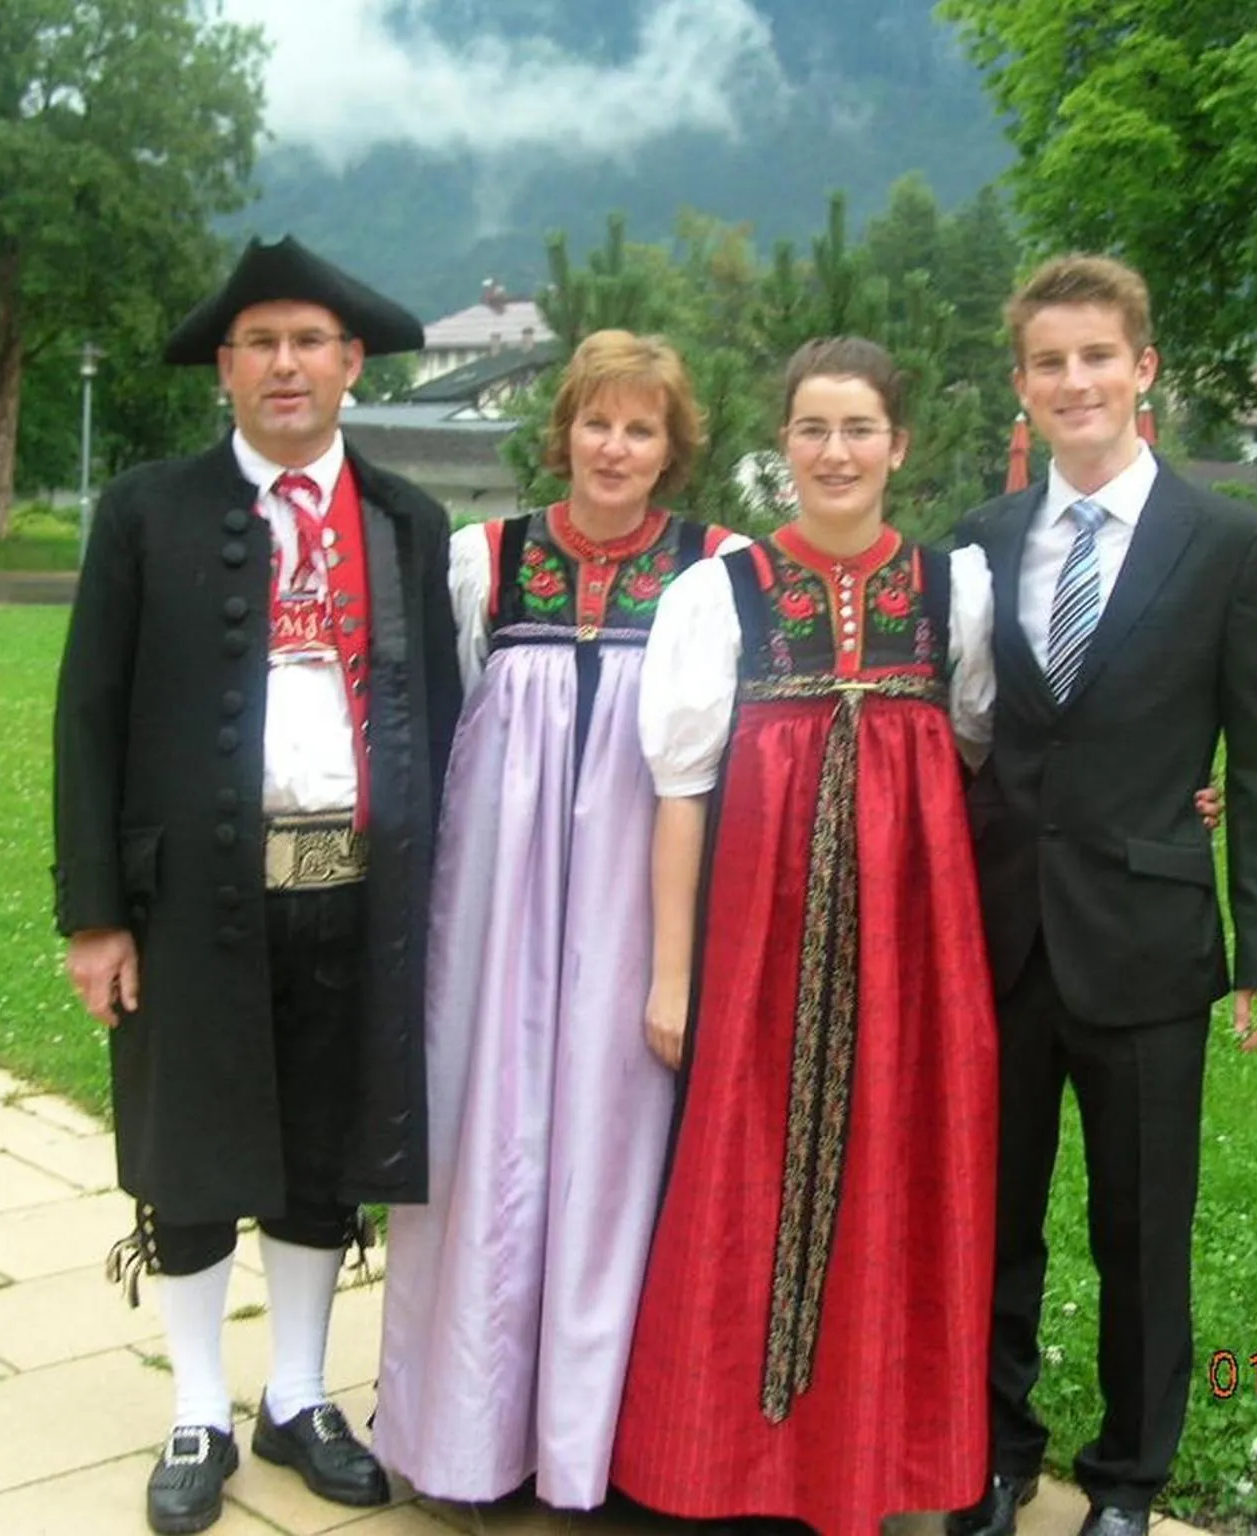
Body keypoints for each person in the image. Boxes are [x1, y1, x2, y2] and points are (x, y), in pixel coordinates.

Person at [51, 234, 460, 1536]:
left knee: (321, 1150)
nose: (287, 365)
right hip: (186, 900)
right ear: (225, 367)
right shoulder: (146, 511)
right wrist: (94, 914)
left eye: (309, 343)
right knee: (189, 1151)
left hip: (355, 891)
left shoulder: (408, 522)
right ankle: (196, 1410)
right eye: (262, 343)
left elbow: (441, 718)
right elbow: (88, 713)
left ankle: (296, 1395)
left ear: (351, 363)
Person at [609, 337, 1000, 1536]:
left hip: (908, 956)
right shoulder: (716, 594)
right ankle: (728, 1464)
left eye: (858, 429)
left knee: (897, 1176)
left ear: (898, 446)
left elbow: (973, 753)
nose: (836, 453)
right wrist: (672, 975)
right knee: (741, 1178)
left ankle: (879, 1463)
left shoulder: (952, 591)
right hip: (758, 948)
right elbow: (680, 790)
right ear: (781, 444)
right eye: (812, 429)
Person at [949, 255, 1257, 1536]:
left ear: (1141, 368)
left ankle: (1125, 1480)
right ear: (1021, 384)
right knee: (990, 1224)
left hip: (1148, 942)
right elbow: (953, 733)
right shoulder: (979, 543)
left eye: (1096, 355)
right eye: (1048, 362)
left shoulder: (1229, 546)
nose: (1075, 381)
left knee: (1141, 1232)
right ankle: (991, 1453)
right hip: (997, 940)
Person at [373, 331, 742, 1507]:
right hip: (496, 897)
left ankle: (599, 1448)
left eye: (640, 429)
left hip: (639, 893)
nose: (614, 448)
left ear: (670, 449)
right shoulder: (486, 561)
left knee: (611, 1139)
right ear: (563, 431)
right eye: (596, 422)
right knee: (483, 1132)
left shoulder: (713, 571)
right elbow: (432, 724)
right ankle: (466, 1436)